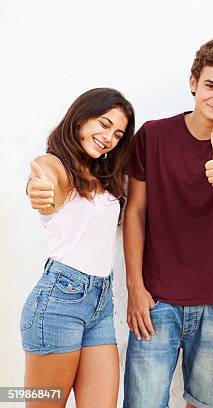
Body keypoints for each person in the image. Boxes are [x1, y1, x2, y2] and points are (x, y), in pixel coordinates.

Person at [122, 38, 213, 408]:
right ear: (193, 82)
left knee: (207, 405)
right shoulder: (152, 136)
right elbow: (135, 213)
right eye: (211, 86)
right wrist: (135, 288)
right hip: (156, 301)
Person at [21, 88, 135, 407]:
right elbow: (43, 184)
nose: (108, 137)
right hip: (58, 302)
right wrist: (39, 192)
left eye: (117, 133)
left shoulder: (103, 178)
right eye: (103, 123)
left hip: (100, 305)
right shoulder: (54, 164)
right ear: (80, 118)